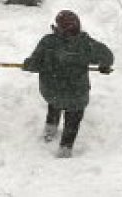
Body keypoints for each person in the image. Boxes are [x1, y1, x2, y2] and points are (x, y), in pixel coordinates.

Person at [22, 10, 114, 158]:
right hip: (77, 95)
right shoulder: (87, 44)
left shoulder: (48, 41)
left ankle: (50, 129)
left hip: (51, 92)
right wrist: (104, 66)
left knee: (56, 100)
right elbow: (107, 56)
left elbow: (33, 64)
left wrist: (27, 64)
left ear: (57, 27)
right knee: (73, 117)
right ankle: (65, 148)